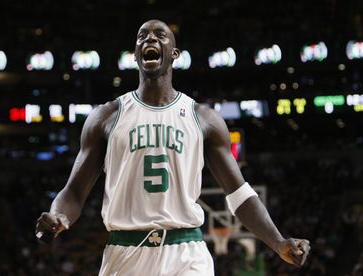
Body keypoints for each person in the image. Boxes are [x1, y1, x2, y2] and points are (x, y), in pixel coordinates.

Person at [35, 19, 310, 275]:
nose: (149, 39)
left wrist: (278, 241)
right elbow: (73, 191)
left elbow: (239, 194)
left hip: (186, 252)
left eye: (160, 35)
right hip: (125, 253)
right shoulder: (106, 117)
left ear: (174, 53)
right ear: (135, 55)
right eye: (142, 36)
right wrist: (59, 215)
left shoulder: (204, 119)